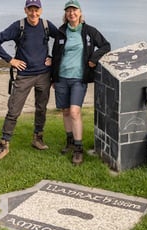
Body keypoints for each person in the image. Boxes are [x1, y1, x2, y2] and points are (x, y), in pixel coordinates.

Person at [0, 0, 60, 160]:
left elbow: (63, 39)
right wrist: (10, 60)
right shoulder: (18, 26)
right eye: (30, 10)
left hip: (44, 75)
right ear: (25, 10)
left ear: (41, 10)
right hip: (24, 76)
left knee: (41, 109)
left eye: (36, 10)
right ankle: (4, 144)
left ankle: (38, 138)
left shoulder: (46, 25)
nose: (33, 13)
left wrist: (53, 58)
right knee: (13, 111)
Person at [51, 0, 110, 165]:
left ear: (80, 13)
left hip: (79, 78)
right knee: (65, 111)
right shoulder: (61, 32)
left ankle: (78, 148)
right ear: (65, 14)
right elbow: (55, 55)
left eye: (74, 10)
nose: (71, 13)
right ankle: (69, 141)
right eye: (68, 11)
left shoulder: (89, 31)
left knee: (75, 112)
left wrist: (93, 60)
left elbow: (105, 46)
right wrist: (53, 78)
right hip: (61, 77)